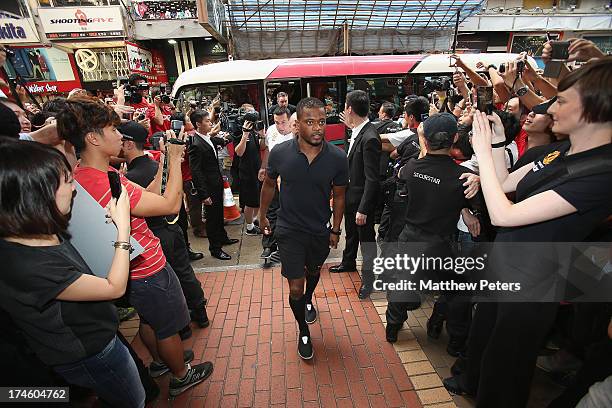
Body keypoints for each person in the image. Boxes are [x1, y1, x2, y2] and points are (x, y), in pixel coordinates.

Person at [444, 58, 612, 408]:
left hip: (534, 283)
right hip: (506, 265)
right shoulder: (556, 151)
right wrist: (497, 141)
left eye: (563, 100)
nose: (551, 108)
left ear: (595, 106)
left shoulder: (601, 172)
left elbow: (504, 214)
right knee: (484, 344)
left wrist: (481, 152)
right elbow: (505, 184)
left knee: (505, 368)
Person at [57, 97, 213, 397]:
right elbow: (168, 205)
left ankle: (160, 362)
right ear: (93, 138)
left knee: (150, 320)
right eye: (113, 130)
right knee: (168, 326)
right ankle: (181, 375)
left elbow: (145, 197)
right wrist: (178, 161)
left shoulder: (85, 176)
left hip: (130, 271)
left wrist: (166, 162)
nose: (120, 136)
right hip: (149, 270)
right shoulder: (105, 180)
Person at [0, 140, 144, 407]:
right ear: (37, 194)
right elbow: (114, 288)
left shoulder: (32, 229)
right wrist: (123, 228)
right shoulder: (26, 265)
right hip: (90, 351)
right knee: (133, 401)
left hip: (92, 338)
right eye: (67, 182)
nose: (74, 188)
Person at [259, 97, 348, 359]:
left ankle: (309, 297)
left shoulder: (337, 158)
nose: (318, 128)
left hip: (320, 230)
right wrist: (262, 217)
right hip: (288, 230)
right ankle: (303, 330)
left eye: (321, 121)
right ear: (298, 125)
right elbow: (268, 184)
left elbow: (340, 195)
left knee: (313, 272)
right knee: (294, 287)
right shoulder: (280, 153)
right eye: (310, 122)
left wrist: (336, 229)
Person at [119, 121, 210, 330]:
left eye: (122, 139)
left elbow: (166, 202)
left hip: (155, 234)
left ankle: (183, 327)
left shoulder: (130, 178)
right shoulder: (156, 165)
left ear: (130, 144)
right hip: (173, 230)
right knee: (185, 272)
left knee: (170, 281)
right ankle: (201, 313)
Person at [329, 90, 382, 300]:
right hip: (351, 197)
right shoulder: (359, 130)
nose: (343, 111)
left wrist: (363, 208)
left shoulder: (370, 137)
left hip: (362, 202)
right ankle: (348, 262)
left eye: (345, 108)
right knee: (350, 233)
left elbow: (372, 179)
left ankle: (368, 282)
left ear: (350, 109)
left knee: (366, 242)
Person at [189, 109, 238, 260]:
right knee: (212, 218)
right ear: (198, 124)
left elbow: (222, 140)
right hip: (209, 188)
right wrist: (203, 194)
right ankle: (215, 249)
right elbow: (196, 171)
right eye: (207, 121)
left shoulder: (207, 138)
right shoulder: (196, 144)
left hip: (216, 183)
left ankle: (222, 237)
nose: (210, 123)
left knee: (218, 215)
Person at [259, 106, 295, 259]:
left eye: (283, 122)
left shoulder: (296, 135)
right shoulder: (271, 130)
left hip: (291, 182)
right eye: (277, 122)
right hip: (273, 179)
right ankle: (268, 245)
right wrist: (263, 167)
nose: (280, 126)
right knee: (271, 212)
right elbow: (267, 149)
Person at [234, 104, 263, 236]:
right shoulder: (239, 131)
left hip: (257, 169)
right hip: (246, 172)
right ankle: (249, 227)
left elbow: (261, 147)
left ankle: (255, 220)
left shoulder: (254, 130)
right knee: (250, 201)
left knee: (257, 199)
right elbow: (239, 152)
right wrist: (244, 134)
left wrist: (262, 135)